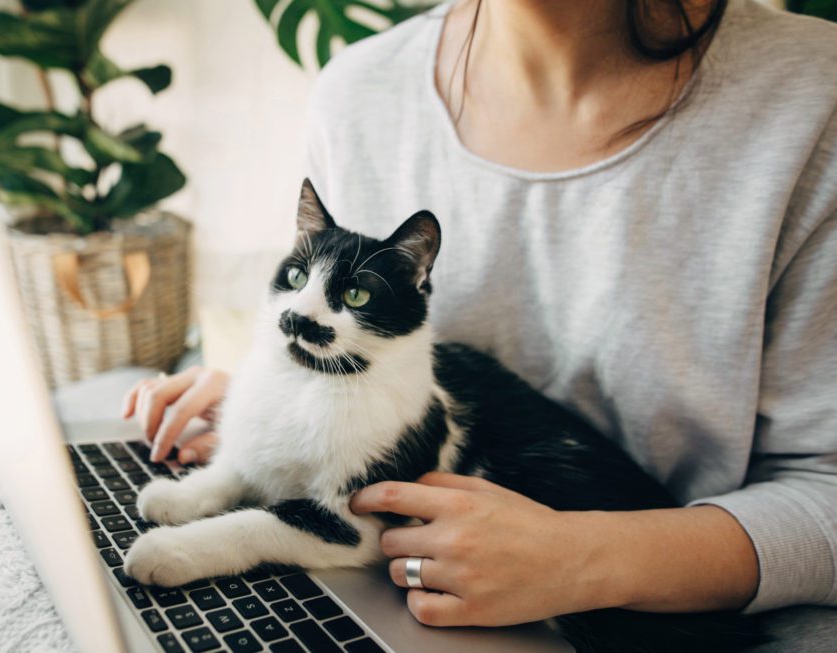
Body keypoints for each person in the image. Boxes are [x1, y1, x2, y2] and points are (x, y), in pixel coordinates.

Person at [122, 0, 837, 648]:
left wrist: (581, 559)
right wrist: (288, 401)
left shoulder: (812, 96)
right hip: (384, 582)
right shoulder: (358, 91)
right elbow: (357, 334)